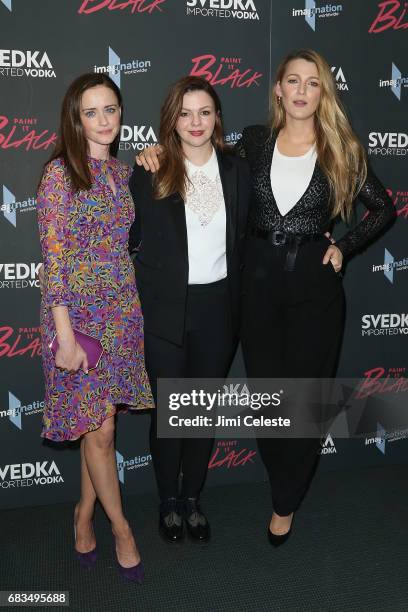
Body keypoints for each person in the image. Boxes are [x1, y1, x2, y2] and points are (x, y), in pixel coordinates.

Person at [136, 49, 395, 546]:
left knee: (306, 403)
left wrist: (344, 245)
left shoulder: (343, 149)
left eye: (312, 83)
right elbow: (198, 154)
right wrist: (154, 151)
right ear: (277, 89)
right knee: (270, 403)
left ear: (324, 93)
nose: (301, 91)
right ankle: (212, 492)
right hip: (255, 288)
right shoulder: (254, 142)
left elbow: (383, 209)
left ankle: (285, 501)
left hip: (313, 289)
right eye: (292, 81)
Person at [37, 73, 152, 582]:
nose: (104, 120)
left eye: (111, 109)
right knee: (100, 429)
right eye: (92, 112)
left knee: (99, 426)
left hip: (121, 314)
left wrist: (154, 160)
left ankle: (82, 514)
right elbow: (54, 261)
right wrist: (64, 337)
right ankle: (121, 528)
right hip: (77, 321)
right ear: (75, 118)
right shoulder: (59, 175)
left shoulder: (123, 174)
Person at [128, 76, 251, 543]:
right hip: (164, 313)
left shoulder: (237, 170)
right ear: (171, 120)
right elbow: (128, 238)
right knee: (169, 413)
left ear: (217, 116)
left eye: (204, 111)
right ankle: (168, 500)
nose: (195, 122)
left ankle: (193, 497)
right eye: (185, 113)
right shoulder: (151, 169)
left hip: (219, 309)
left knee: (201, 412)